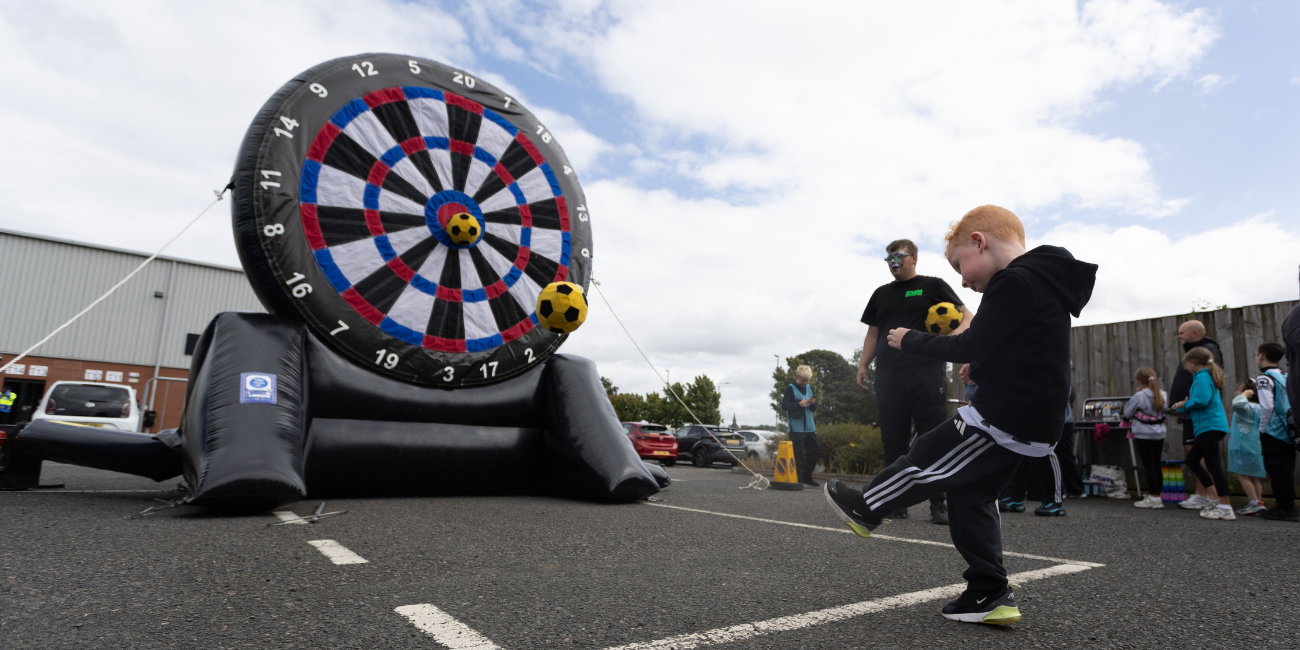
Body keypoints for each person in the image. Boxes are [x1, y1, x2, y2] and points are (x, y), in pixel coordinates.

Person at [825, 205, 1097, 625]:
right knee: (969, 496)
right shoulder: (1042, 281)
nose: (964, 281)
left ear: (979, 241)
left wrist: (909, 339)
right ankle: (989, 594)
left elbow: (968, 343)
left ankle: (867, 506)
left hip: (1006, 416)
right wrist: (982, 366)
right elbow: (1019, 348)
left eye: (960, 266)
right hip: (1032, 418)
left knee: (930, 453)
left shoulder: (1013, 281)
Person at [857, 238, 973, 525]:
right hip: (887, 375)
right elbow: (873, 333)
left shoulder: (932, 286)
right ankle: (894, 502)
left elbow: (967, 316)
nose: (894, 263)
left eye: (899, 257)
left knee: (933, 436)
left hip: (926, 371)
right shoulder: (881, 294)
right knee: (893, 440)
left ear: (914, 258)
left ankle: (940, 505)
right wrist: (863, 363)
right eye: (889, 259)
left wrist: (952, 339)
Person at [1172, 347, 1234, 521]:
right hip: (1209, 426)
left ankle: (1225, 506)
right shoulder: (1205, 376)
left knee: (1213, 465)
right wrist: (1186, 404)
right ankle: (1214, 497)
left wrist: (1181, 406)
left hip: (1209, 426)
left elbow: (1201, 400)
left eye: (1186, 365)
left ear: (1192, 362)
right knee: (1192, 460)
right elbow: (1201, 399)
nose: (1186, 368)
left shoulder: (1201, 377)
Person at [1169, 320, 1222, 509]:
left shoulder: (1206, 352)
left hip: (1199, 414)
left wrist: (1185, 406)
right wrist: (1181, 411)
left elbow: (1203, 391)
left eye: (1182, 332)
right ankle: (1206, 495)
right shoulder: (1195, 353)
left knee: (1200, 454)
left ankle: (1208, 495)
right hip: (1189, 412)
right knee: (1193, 453)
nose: (1179, 336)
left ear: (1194, 333)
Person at [1254, 342, 1296, 522]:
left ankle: (1285, 508)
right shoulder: (1286, 376)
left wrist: (1262, 429)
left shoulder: (1264, 379)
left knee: (1276, 469)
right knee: (1287, 469)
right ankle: (1287, 505)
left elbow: (1267, 406)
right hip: (1289, 430)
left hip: (1274, 431)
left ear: (1261, 355)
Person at [1123, 367, 1167, 509]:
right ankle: (1157, 496)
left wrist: (1137, 395)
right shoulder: (1163, 394)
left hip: (1143, 433)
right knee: (1156, 464)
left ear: (1138, 382)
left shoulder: (1140, 396)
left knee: (1148, 465)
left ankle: (1153, 498)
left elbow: (1127, 412)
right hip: (1159, 433)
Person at [1228, 381, 1267, 515]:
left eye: (1238, 392)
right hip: (1256, 445)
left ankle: (1253, 502)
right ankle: (1258, 503)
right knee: (1255, 476)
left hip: (1243, 445)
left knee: (1242, 474)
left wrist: (1244, 394)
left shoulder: (1245, 406)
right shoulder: (1260, 407)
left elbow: (1237, 403)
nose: (1237, 395)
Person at [781, 365, 821, 487]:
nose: (805, 383)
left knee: (815, 451)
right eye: (803, 380)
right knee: (798, 456)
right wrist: (799, 404)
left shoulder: (810, 388)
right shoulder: (790, 389)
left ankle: (807, 477)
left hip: (810, 426)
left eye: (807, 380)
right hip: (796, 427)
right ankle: (798, 480)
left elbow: (813, 409)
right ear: (797, 377)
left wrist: (813, 404)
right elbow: (785, 406)